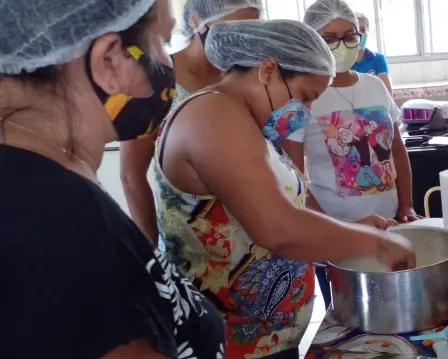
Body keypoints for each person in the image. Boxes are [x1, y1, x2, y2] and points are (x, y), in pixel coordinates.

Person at [154, 19, 416, 358]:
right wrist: (376, 244)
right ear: (267, 71)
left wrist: (351, 229)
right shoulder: (212, 115)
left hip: (265, 336)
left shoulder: (244, 119)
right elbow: (276, 228)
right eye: (306, 97)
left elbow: (280, 208)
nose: (306, 111)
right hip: (226, 340)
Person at [0, 0, 227, 358]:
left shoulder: (37, 178)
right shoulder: (67, 222)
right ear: (109, 60)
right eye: (162, 42)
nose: (167, 62)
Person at [285, 0, 420, 309]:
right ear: (312, 40)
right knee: (352, 316)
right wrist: (333, 229)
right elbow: (292, 178)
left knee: (400, 308)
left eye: (350, 36)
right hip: (336, 232)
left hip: (389, 225)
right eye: (329, 38)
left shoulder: (375, 86)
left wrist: (406, 205)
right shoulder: (302, 96)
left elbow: (397, 151)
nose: (342, 46)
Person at [120, 0, 261, 244]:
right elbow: (132, 176)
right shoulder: (155, 80)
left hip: (256, 241)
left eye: (252, 31)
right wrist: (151, 251)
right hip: (188, 247)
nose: (243, 40)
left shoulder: (251, 76)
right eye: (233, 29)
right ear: (197, 20)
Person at [351, 12, 393, 92]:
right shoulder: (342, 62)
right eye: (355, 30)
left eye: (363, 30)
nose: (359, 34)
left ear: (368, 32)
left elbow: (387, 92)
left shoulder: (378, 59)